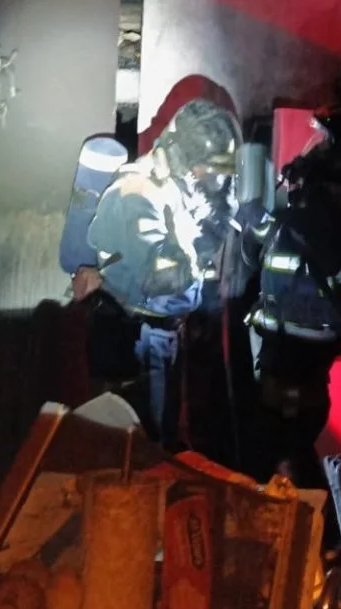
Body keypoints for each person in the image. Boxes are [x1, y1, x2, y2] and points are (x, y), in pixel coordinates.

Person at [71, 99, 240, 447]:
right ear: (183, 156)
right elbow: (158, 278)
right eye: (209, 170)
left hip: (159, 336)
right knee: (140, 445)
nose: (215, 180)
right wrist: (205, 241)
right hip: (132, 337)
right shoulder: (137, 194)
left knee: (161, 436)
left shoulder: (175, 190)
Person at [243, 106, 341, 487]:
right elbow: (259, 248)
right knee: (281, 450)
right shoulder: (312, 200)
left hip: (300, 350)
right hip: (283, 343)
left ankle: (311, 533)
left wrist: (296, 215)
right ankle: (309, 532)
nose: (313, 149)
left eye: (324, 142)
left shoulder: (337, 209)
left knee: (283, 452)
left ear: (340, 154)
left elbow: (338, 270)